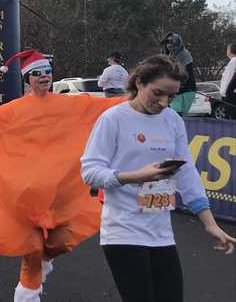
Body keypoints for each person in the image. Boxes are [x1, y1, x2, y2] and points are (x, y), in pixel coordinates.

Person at [0, 49, 126, 301]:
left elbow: (107, 106)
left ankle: (41, 265)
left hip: (62, 201)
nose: (43, 77)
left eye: (47, 72)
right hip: (25, 205)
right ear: (27, 78)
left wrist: (142, 96)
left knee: (58, 243)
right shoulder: (12, 111)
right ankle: (28, 293)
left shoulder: (72, 104)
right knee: (32, 250)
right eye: (37, 73)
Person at [81, 55, 236, 302]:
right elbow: (90, 172)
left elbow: (186, 172)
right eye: (158, 93)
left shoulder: (172, 119)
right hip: (123, 230)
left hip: (161, 232)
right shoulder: (113, 119)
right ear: (140, 83)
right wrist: (135, 176)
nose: (164, 102)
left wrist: (210, 223)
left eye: (171, 96)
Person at [160, 33, 196, 115]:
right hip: (172, 90)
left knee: (176, 115)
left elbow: (184, 74)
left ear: (177, 42)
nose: (169, 45)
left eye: (171, 42)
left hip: (185, 90)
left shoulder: (184, 54)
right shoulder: (167, 55)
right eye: (167, 43)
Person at [220, 43, 236, 119]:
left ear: (230, 51)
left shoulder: (233, 62)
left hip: (230, 95)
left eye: (227, 49)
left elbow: (228, 79)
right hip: (229, 94)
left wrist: (224, 93)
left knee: (232, 117)